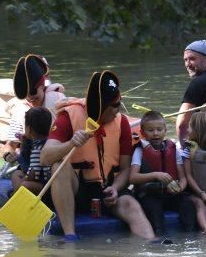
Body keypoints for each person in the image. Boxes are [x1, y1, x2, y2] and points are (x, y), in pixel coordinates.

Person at [40, 70, 155, 241]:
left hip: (108, 189)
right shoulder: (67, 116)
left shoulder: (121, 122)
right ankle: (70, 236)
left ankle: (153, 244)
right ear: (101, 106)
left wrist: (115, 189)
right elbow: (45, 157)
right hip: (78, 190)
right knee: (59, 165)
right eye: (115, 105)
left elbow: (125, 170)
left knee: (131, 204)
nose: (118, 110)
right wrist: (71, 143)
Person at [0, 54, 65, 172]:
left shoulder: (58, 101)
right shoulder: (20, 109)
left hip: (56, 156)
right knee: (17, 176)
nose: (29, 97)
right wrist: (8, 154)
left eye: (32, 91)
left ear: (42, 86)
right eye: (25, 93)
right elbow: (11, 145)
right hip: (32, 162)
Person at [129, 110, 196, 236]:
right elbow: (132, 178)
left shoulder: (173, 149)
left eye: (159, 129)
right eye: (150, 130)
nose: (155, 133)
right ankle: (159, 240)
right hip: (150, 195)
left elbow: (182, 177)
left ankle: (191, 236)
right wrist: (156, 175)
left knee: (188, 204)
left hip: (171, 194)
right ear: (143, 133)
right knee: (154, 211)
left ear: (165, 130)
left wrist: (180, 188)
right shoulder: (140, 151)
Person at [11, 106, 53, 197]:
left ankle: (16, 196)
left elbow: (34, 173)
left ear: (29, 129)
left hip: (46, 188)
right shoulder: (48, 142)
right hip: (46, 181)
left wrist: (25, 180)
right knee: (16, 174)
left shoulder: (38, 148)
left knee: (24, 185)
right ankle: (18, 192)